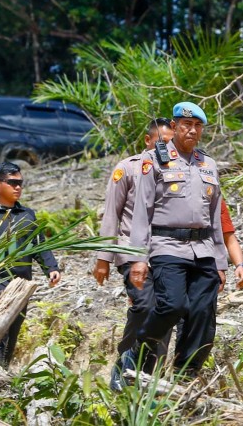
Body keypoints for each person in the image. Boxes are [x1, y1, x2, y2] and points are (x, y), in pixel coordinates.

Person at [123, 101, 228, 377]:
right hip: (167, 245)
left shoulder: (208, 164)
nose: (192, 131)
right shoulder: (154, 161)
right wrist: (138, 258)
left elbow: (215, 215)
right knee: (173, 305)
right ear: (174, 127)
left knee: (203, 315)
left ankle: (185, 373)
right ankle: (137, 352)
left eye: (197, 126)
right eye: (186, 125)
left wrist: (221, 261)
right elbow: (142, 212)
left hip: (203, 249)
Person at [93, 118, 174, 390]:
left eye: (170, 143)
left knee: (168, 310)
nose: (166, 148)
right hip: (131, 251)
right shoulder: (127, 169)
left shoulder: (179, 170)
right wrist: (104, 258)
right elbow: (111, 213)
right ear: (147, 141)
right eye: (162, 142)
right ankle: (126, 357)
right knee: (144, 306)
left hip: (167, 252)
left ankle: (149, 372)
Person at [0, 162, 61, 367]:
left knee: (13, 330)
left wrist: (51, 268)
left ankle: (1, 375)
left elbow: (39, 244)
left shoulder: (27, 214)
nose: (18, 187)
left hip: (21, 284)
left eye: (21, 183)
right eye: (13, 182)